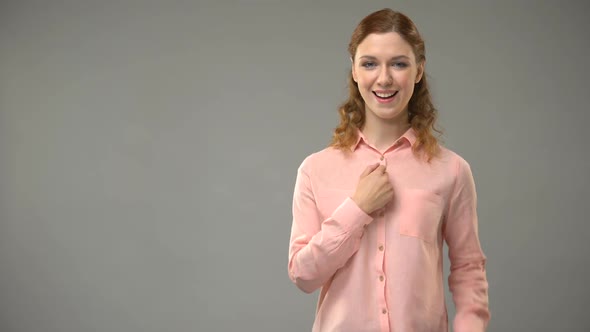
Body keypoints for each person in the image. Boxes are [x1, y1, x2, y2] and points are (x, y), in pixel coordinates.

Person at [287, 8, 490, 332]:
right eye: (370, 63)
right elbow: (303, 275)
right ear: (354, 70)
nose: (384, 78)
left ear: (419, 70)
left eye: (398, 63)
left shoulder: (451, 170)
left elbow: (468, 269)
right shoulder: (315, 170)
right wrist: (357, 209)